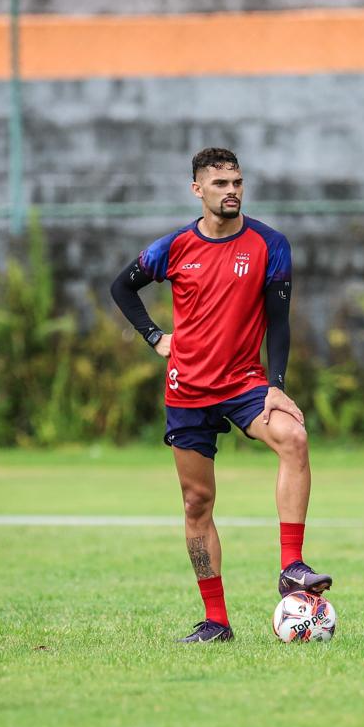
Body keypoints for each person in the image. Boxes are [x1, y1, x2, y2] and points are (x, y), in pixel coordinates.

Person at [109, 147, 331, 642]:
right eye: (220, 183)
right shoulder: (173, 247)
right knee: (196, 503)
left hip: (244, 383)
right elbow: (121, 287)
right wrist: (154, 336)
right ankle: (216, 621)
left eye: (237, 182)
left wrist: (276, 386)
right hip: (187, 389)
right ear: (198, 189)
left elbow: (279, 321)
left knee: (294, 437)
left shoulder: (270, 244)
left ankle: (291, 566)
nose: (231, 191)